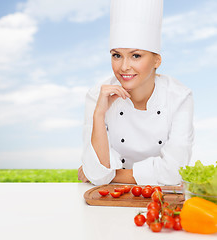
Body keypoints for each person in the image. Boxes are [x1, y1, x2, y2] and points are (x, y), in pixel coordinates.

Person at [78, 0, 194, 186]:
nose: (124, 67)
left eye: (136, 56)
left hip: (160, 201)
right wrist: (99, 114)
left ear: (157, 60)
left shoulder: (179, 97)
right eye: (117, 55)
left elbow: (173, 173)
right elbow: (98, 175)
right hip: (110, 204)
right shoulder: (98, 95)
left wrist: (111, 176)